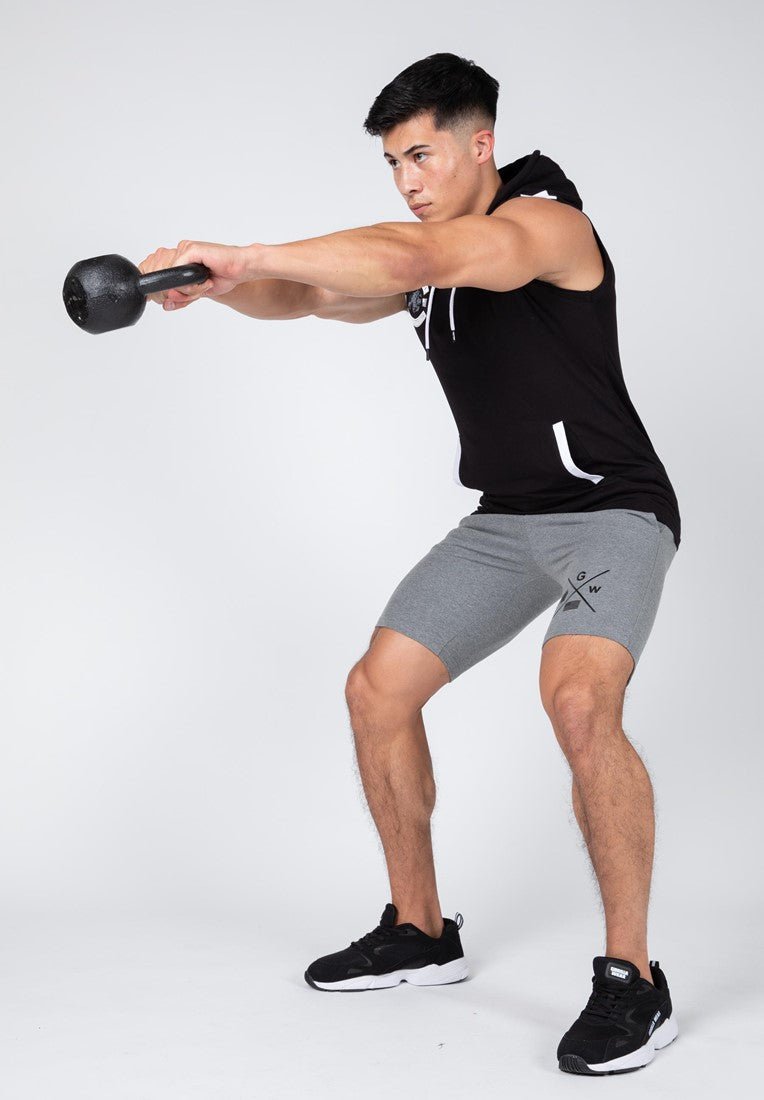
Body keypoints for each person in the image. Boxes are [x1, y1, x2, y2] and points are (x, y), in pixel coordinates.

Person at [138, 52, 681, 1077]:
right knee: (376, 689)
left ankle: (632, 979)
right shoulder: (429, 260)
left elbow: (409, 255)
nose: (407, 180)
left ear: (480, 144)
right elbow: (312, 295)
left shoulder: (545, 224)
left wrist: (246, 249)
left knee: (576, 701)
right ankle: (420, 929)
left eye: (421, 155)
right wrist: (222, 285)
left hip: (611, 510)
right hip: (506, 521)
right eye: (393, 163)